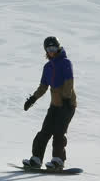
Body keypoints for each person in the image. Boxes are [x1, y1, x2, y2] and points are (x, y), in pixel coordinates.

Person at [22, 36, 77, 170]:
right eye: (49, 49)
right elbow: (43, 87)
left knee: (59, 132)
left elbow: (69, 83)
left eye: (54, 48)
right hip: (55, 105)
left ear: (58, 48)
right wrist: (33, 99)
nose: (51, 51)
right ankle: (36, 159)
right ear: (46, 51)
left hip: (68, 104)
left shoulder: (65, 63)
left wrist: (66, 99)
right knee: (44, 131)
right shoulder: (47, 67)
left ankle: (58, 160)